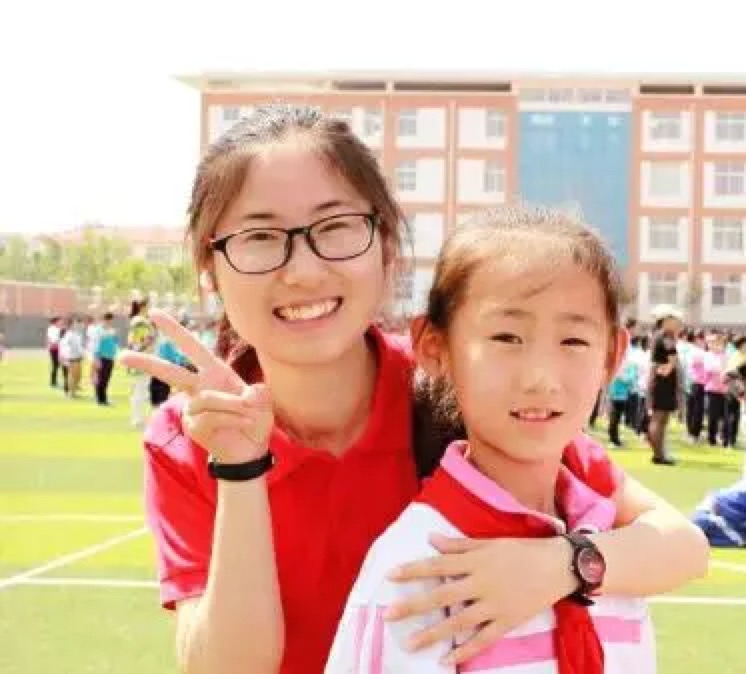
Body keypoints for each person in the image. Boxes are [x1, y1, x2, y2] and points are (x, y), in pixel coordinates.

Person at [120, 104, 708, 674]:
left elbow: (680, 544)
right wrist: (240, 469)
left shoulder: (458, 385)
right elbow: (230, 667)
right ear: (209, 268)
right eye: (260, 237)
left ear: (386, 245)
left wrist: (565, 564)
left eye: (336, 227)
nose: (303, 271)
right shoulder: (189, 436)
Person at [326, 206, 656, 674]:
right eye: (506, 337)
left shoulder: (616, 550)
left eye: (573, 341)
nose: (541, 378)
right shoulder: (420, 567)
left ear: (612, 355)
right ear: (435, 347)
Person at [646, 306, 684, 465]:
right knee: (660, 418)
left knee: (659, 418)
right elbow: (672, 358)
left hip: (659, 379)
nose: (678, 324)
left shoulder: (657, 335)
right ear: (666, 320)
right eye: (675, 320)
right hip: (663, 382)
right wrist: (669, 367)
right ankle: (659, 455)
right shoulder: (666, 336)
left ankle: (659, 453)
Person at [127, 299, 156, 426]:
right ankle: (137, 418)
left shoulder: (140, 321)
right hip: (142, 358)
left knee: (141, 389)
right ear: (143, 307)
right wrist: (141, 353)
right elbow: (141, 341)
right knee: (140, 389)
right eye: (149, 306)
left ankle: (139, 417)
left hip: (142, 357)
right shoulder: (140, 321)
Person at [93, 312, 119, 406]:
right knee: (101, 378)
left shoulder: (112, 330)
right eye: (108, 320)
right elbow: (95, 346)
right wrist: (97, 359)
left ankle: (104, 398)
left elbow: (115, 343)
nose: (109, 322)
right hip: (102, 357)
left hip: (110, 357)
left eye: (110, 320)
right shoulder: (98, 330)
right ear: (104, 320)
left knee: (106, 379)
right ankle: (100, 399)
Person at [59, 316, 84, 398]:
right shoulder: (68, 334)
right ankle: (71, 393)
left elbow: (79, 346)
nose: (77, 325)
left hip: (78, 357)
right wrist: (63, 357)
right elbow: (63, 345)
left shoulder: (77, 334)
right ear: (71, 325)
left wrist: (82, 353)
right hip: (71, 357)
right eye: (75, 323)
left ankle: (73, 391)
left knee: (78, 375)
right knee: (72, 375)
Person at [46, 316, 62, 388]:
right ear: (55, 322)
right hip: (54, 348)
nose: (60, 322)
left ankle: (54, 381)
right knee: (55, 365)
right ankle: (53, 382)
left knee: (57, 365)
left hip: (57, 348)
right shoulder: (52, 329)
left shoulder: (57, 329)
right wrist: (54, 343)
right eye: (59, 321)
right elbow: (51, 339)